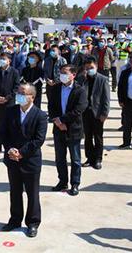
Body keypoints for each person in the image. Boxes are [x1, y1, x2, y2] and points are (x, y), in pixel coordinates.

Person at [0, 83, 47, 238]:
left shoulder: (40, 115)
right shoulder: (10, 111)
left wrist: (22, 153)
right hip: (12, 159)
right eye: (18, 92)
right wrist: (10, 149)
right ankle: (15, 220)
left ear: (32, 97)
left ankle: (32, 223)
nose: (19, 95)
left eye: (23, 93)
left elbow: (38, 140)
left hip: (30, 160)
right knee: (15, 191)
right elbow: (3, 133)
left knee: (32, 193)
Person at [48, 64, 88, 196]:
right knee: (60, 157)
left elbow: (78, 110)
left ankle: (75, 184)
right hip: (58, 128)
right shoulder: (55, 89)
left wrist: (63, 120)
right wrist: (57, 122)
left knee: (75, 159)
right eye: (61, 73)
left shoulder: (80, 90)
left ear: (73, 75)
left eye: (65, 73)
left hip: (74, 129)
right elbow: (51, 107)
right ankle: (62, 181)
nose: (62, 75)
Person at [81, 57, 110, 170]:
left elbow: (106, 98)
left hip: (97, 112)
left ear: (96, 67)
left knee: (98, 137)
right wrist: (83, 79)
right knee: (87, 137)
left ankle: (98, 159)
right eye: (87, 68)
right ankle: (89, 158)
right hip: (85, 112)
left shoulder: (103, 79)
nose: (89, 70)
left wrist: (105, 113)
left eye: (91, 68)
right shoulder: (82, 79)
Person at [0, 53, 20, 152]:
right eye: (1, 58)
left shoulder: (14, 72)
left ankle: (9, 147)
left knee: (10, 124)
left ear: (9, 61)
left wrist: (7, 98)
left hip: (9, 103)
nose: (2, 60)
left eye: (4, 59)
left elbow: (16, 88)